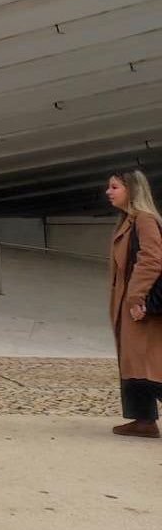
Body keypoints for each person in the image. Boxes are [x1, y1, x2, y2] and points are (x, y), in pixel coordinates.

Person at [105, 169, 162, 437]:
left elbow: (151, 259)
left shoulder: (144, 220)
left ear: (132, 190)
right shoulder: (129, 220)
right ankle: (144, 421)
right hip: (128, 304)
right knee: (134, 363)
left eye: (114, 187)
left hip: (140, 304)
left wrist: (137, 297)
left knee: (148, 365)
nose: (108, 192)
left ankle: (145, 420)